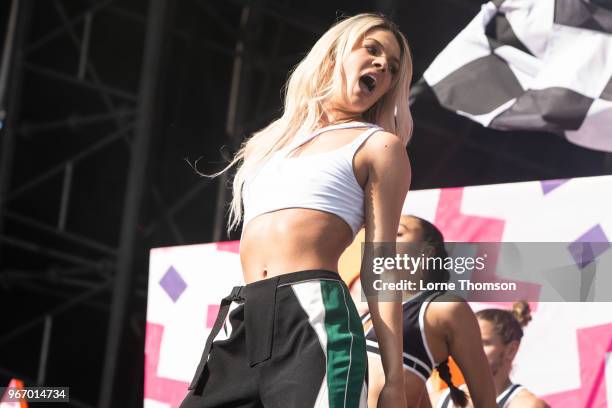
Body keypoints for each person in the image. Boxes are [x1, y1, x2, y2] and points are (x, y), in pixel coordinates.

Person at [180, 13, 414, 408]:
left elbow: (380, 264)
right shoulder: (268, 143)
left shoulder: (379, 146)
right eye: (371, 50)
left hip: (314, 315)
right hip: (244, 315)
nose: (381, 67)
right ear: (335, 53)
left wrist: (394, 380)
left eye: (391, 68)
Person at [352, 215, 497, 408]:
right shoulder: (371, 308)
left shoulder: (446, 308)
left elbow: (486, 402)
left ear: (425, 252)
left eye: (398, 233)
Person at [432, 302, 549, 408]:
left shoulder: (528, 405)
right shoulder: (436, 401)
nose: (470, 350)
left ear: (511, 350)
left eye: (482, 343)